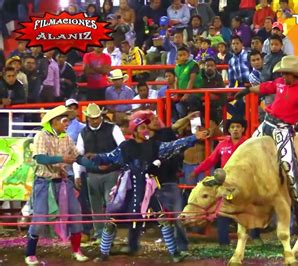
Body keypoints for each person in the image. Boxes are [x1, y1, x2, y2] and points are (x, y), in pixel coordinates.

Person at [91, 116, 209, 262]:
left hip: (147, 189)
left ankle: (175, 254)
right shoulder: (125, 147)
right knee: (111, 220)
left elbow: (174, 145)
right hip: (127, 189)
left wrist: (193, 138)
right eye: (141, 127)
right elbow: (109, 157)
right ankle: (103, 253)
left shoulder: (154, 145)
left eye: (146, 127)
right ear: (134, 131)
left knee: (163, 219)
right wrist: (94, 157)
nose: (145, 130)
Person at [235, 55, 298, 211]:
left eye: (285, 73)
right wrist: (248, 90)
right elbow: (266, 87)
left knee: (288, 161)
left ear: (294, 74)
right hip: (267, 123)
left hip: (283, 128)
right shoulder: (281, 83)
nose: (282, 76)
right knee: (247, 149)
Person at [24, 105, 96, 265]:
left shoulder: (66, 138)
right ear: (55, 121)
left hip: (63, 182)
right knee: (40, 217)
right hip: (44, 182)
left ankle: (76, 250)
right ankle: (30, 253)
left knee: (76, 212)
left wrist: (96, 165)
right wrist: (62, 159)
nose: (67, 124)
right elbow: (40, 158)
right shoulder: (41, 136)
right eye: (64, 120)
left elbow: (77, 157)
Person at [190, 117, 247, 245]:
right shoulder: (222, 145)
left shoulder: (248, 144)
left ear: (243, 129)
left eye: (238, 127)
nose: (235, 129)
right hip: (225, 183)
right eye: (232, 127)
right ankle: (223, 242)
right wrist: (196, 171)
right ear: (229, 130)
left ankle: (253, 238)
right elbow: (211, 160)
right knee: (222, 212)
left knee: (246, 210)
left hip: (244, 183)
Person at [73, 103, 126, 241]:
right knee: (95, 205)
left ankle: (109, 236)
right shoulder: (83, 133)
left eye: (97, 117)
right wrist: (78, 174)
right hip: (93, 174)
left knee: (110, 205)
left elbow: (123, 148)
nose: (95, 120)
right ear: (88, 118)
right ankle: (99, 234)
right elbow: (78, 155)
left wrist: (110, 162)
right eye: (93, 118)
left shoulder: (113, 128)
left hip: (111, 172)